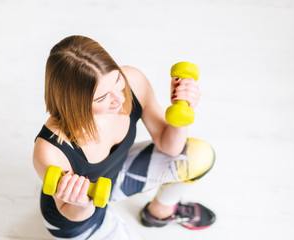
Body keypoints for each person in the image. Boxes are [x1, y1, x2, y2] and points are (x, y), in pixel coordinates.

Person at [33, 35, 216, 240]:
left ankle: (159, 213)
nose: (119, 99)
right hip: (79, 218)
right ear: (74, 101)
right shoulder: (50, 149)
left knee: (199, 156)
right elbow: (72, 212)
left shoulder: (133, 81)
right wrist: (81, 203)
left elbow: (170, 147)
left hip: (115, 177)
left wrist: (182, 111)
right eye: (102, 97)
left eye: (117, 81)